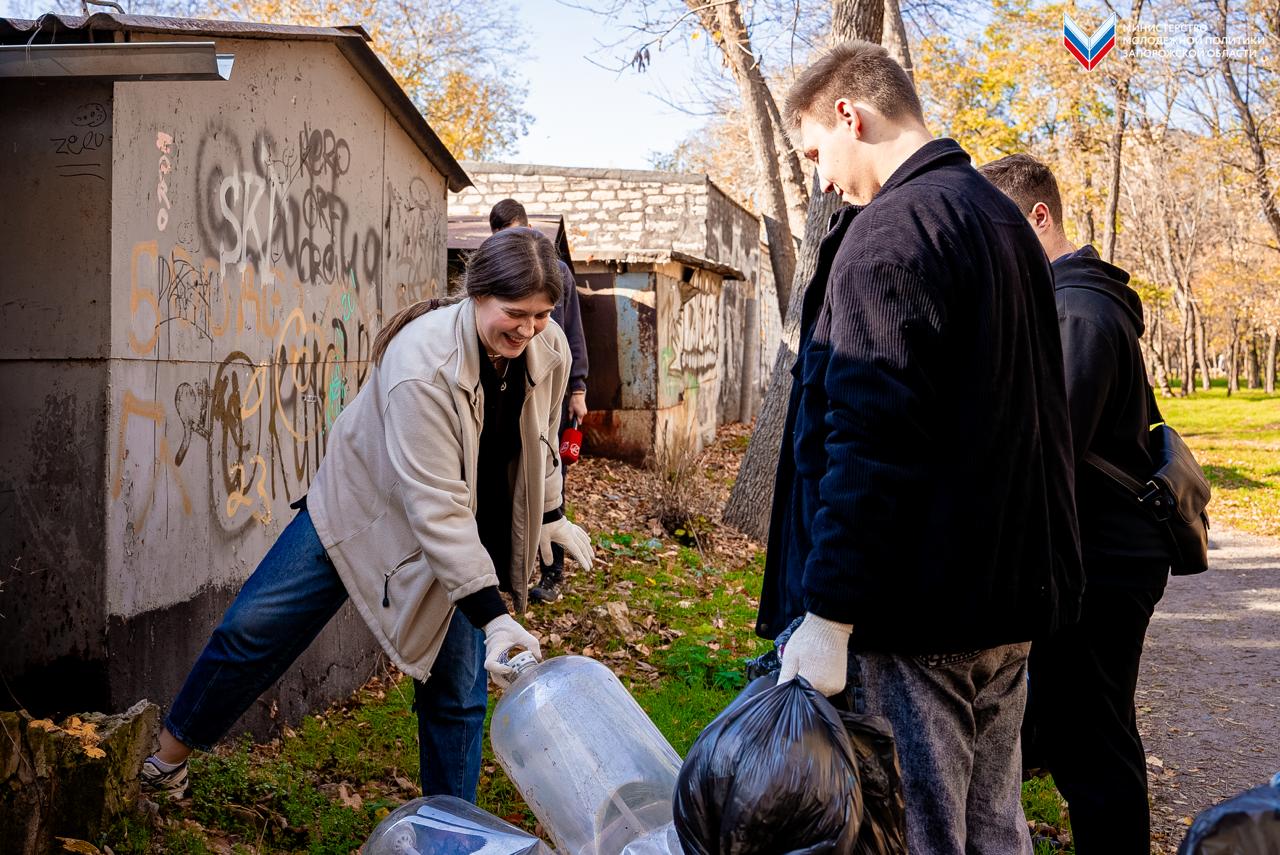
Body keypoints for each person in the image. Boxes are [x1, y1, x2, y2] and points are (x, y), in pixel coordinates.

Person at [759, 41, 1083, 854]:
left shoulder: (890, 234)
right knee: (994, 830)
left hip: (920, 620)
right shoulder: (1006, 222)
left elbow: (870, 443)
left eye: (814, 153)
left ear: (849, 115)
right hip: (1009, 606)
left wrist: (828, 614)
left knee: (922, 836)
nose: (823, 178)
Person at [139, 227, 594, 802]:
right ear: (477, 293)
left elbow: (542, 438)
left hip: (459, 527)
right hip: (365, 507)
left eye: (542, 313)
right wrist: (494, 617)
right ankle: (165, 761)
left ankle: (449, 832)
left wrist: (551, 510)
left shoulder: (548, 344)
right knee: (255, 628)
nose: (528, 329)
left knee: (457, 690)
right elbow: (432, 505)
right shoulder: (422, 364)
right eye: (515, 313)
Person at [979, 153, 1173, 853]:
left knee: (1096, 741)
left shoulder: (1079, 310)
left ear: (1040, 216)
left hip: (1105, 562)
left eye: (1001, 231)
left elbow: (1046, 448)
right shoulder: (1074, 301)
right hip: (1095, 556)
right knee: (1075, 727)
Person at [488, 199, 589, 603]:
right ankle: (503, 569)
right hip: (510, 394)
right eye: (500, 238)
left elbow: (574, 334)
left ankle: (551, 571)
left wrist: (578, 390)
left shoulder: (557, 272)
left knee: (551, 475)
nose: (529, 325)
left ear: (528, 229)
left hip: (551, 391)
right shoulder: (497, 274)